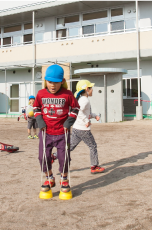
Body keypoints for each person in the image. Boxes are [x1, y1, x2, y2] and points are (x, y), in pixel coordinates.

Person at [34, 64, 80, 194]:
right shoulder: (40, 94)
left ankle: (64, 179)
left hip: (62, 133)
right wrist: (40, 121)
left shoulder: (67, 94)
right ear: (45, 81)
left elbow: (76, 108)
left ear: (62, 82)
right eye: (50, 82)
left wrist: (68, 122)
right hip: (46, 132)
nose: (52, 85)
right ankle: (49, 178)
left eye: (56, 82)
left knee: (64, 157)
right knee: (43, 157)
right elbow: (36, 108)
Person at [70, 80, 105, 174]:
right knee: (93, 146)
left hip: (76, 128)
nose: (92, 90)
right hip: (83, 129)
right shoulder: (84, 100)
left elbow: (85, 112)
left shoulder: (82, 99)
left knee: (70, 147)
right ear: (86, 89)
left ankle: (54, 156)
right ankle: (94, 166)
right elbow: (79, 111)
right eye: (91, 88)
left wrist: (94, 116)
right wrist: (86, 121)